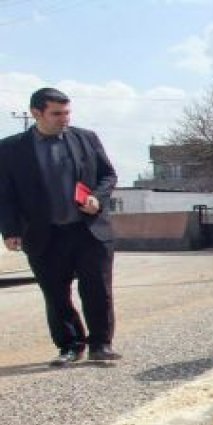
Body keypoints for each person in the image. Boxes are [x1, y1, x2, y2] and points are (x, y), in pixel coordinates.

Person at [0, 88, 121, 367]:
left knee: (97, 289)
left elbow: (108, 175)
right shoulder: (10, 149)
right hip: (44, 234)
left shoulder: (86, 139)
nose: (64, 119)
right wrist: (10, 230)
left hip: (89, 230)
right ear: (36, 113)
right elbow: (5, 195)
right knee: (55, 293)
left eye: (67, 113)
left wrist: (97, 199)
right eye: (57, 113)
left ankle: (101, 344)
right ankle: (70, 346)